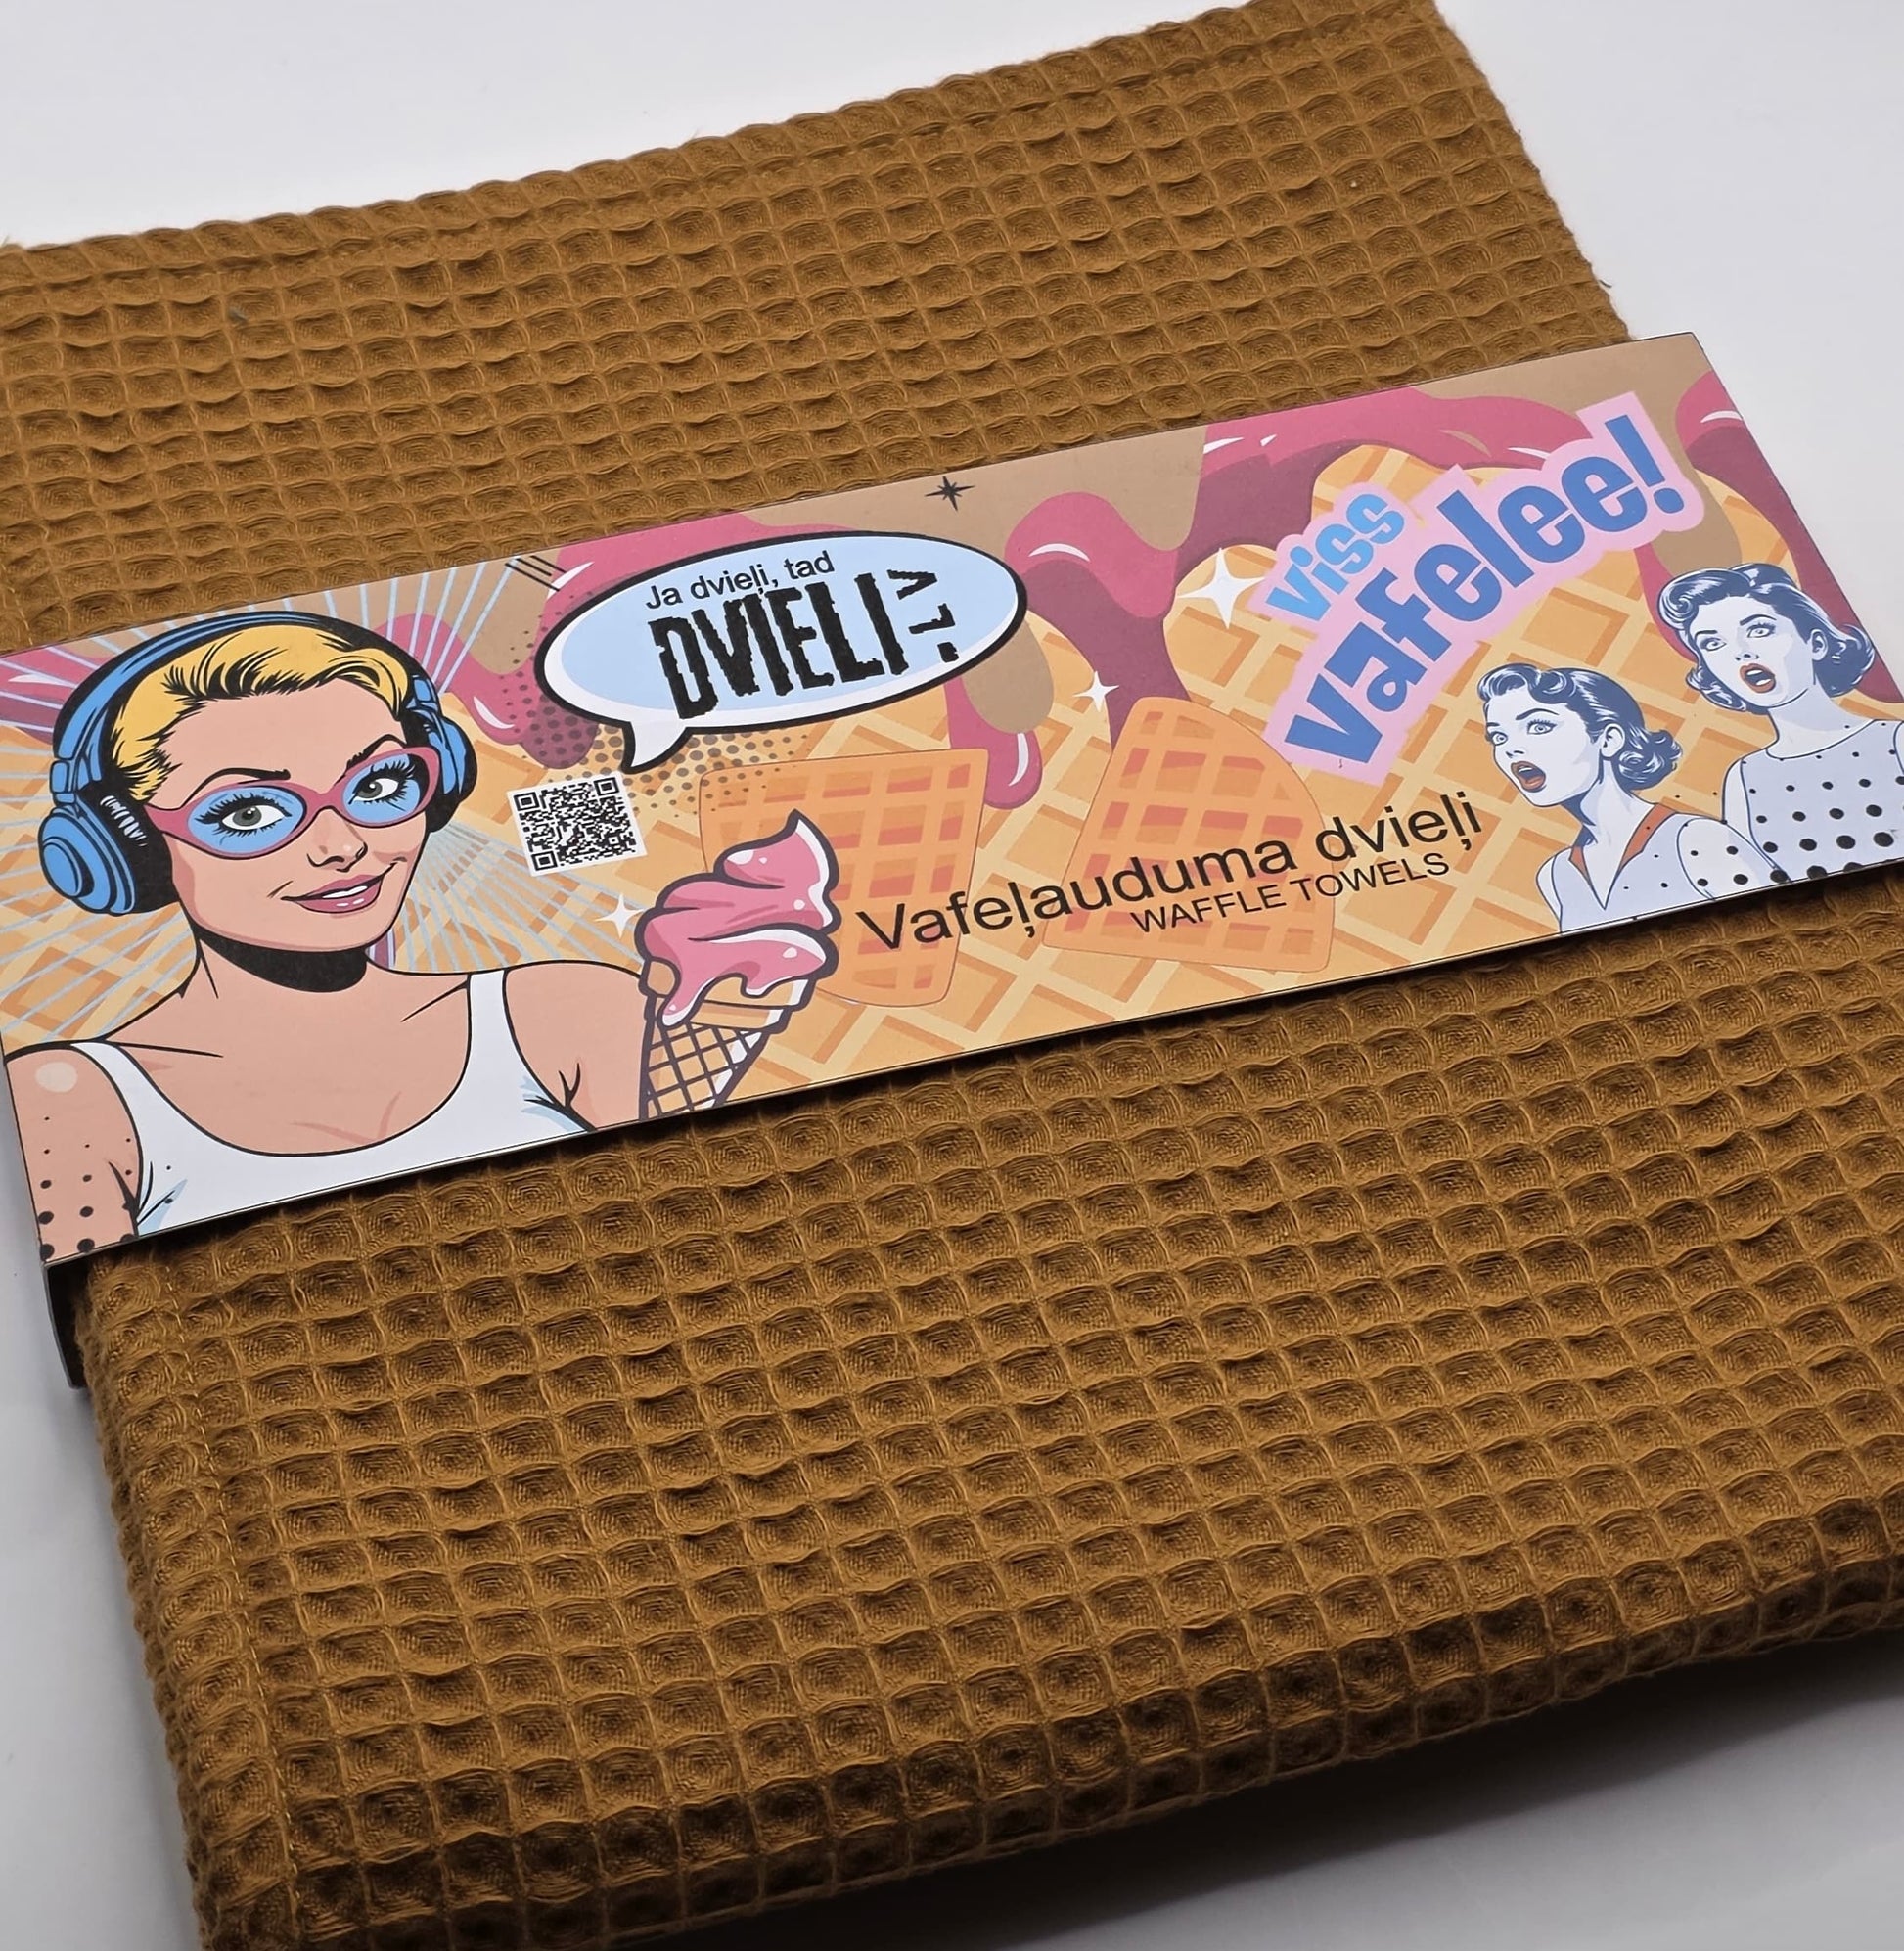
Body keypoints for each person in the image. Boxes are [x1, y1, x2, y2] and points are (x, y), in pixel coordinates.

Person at [11, 613, 654, 1256]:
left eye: (378, 784)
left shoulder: (568, 1012)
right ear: (130, 847)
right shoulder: (67, 1099)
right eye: (247, 813)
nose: (343, 846)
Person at [1478, 661, 1777, 933]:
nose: (1511, 749)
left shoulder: (1695, 840)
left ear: (1609, 739)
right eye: (1499, 737)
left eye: (1539, 727)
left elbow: (1776, 923)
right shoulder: (1556, 877)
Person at [1655, 563, 1904, 879]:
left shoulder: (1894, 740)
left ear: (1815, 643)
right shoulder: (1744, 776)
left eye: (1759, 630)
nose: (1741, 652)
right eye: (1713, 643)